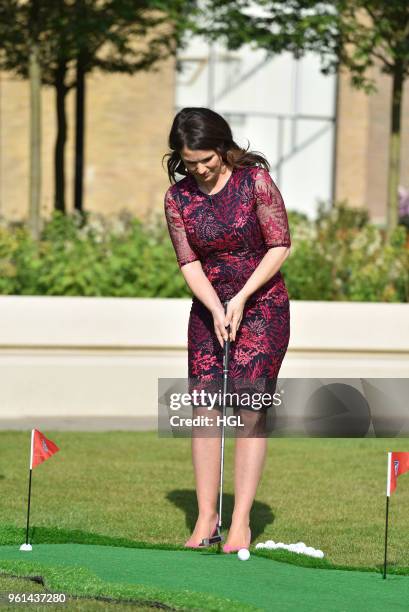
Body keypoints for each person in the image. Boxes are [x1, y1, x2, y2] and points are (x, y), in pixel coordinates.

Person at [163, 107, 291, 552]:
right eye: (190, 162)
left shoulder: (255, 183)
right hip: (209, 308)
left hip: (261, 306)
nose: (199, 168)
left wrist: (239, 300)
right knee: (204, 409)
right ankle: (206, 517)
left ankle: (241, 524)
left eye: (206, 159)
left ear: (222, 145)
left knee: (250, 409)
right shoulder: (177, 199)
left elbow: (279, 245)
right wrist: (216, 306)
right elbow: (189, 262)